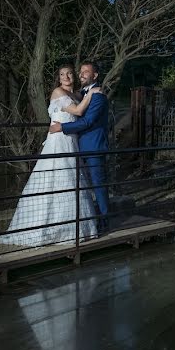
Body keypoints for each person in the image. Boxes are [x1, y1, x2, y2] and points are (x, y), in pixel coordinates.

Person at [0, 65, 98, 246]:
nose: (66, 76)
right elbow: (77, 112)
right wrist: (91, 94)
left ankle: (75, 229)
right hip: (58, 141)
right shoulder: (58, 93)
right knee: (55, 178)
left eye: (68, 73)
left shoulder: (77, 95)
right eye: (62, 74)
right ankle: (45, 229)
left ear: (73, 76)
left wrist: (89, 93)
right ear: (59, 78)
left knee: (72, 180)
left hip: (72, 143)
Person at [49, 61, 110, 233]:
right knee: (73, 184)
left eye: (86, 72)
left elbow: (87, 121)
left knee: (98, 184)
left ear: (95, 76)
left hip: (93, 147)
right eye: (81, 71)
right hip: (75, 145)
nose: (81, 74)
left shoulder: (97, 95)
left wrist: (62, 127)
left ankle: (104, 222)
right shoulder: (79, 94)